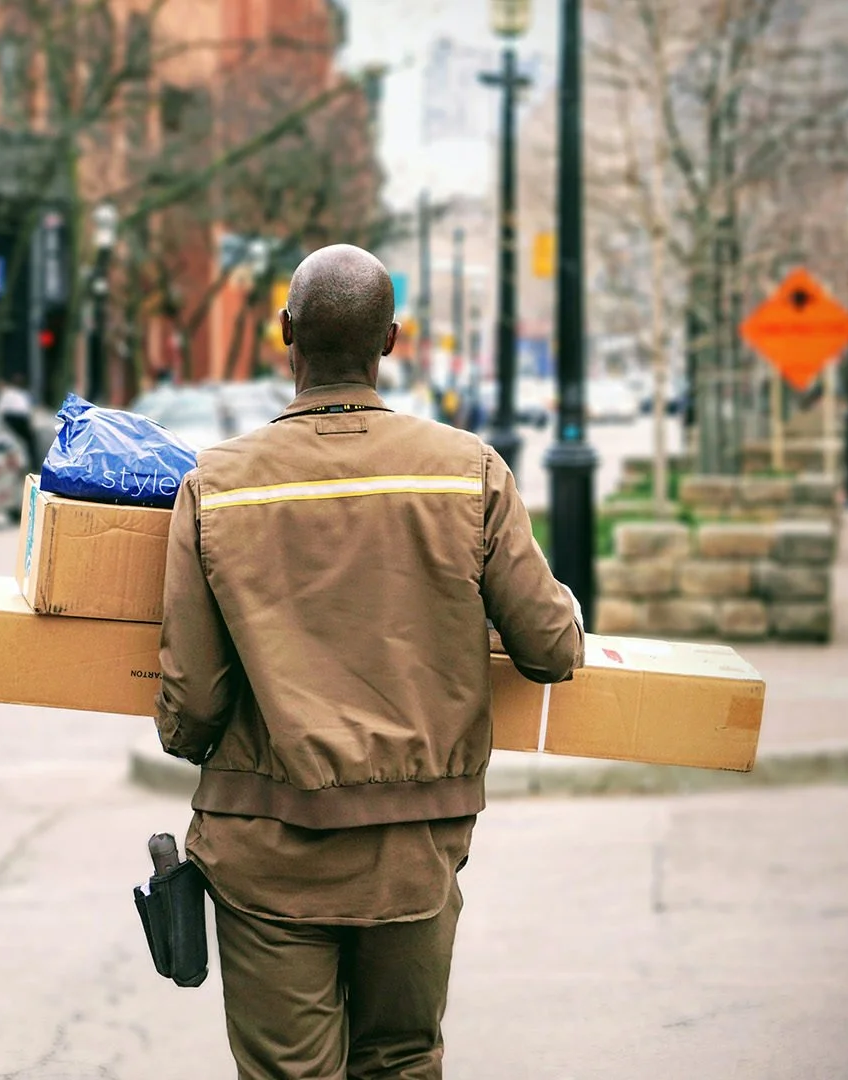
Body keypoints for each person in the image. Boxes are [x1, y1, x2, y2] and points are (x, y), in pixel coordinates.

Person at [154, 244, 585, 1080]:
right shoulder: (471, 475)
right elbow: (550, 650)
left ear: (286, 335)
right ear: (391, 339)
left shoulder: (217, 485)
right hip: (412, 853)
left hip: (266, 855)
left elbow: (194, 702)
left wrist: (192, 735)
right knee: (400, 1060)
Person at [0, 372, 37, 468]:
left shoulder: (22, 394)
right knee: (25, 442)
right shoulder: (8, 392)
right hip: (12, 419)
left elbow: (27, 410)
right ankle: (31, 464)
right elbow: (0, 411)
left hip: (19, 419)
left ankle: (32, 464)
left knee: (29, 442)